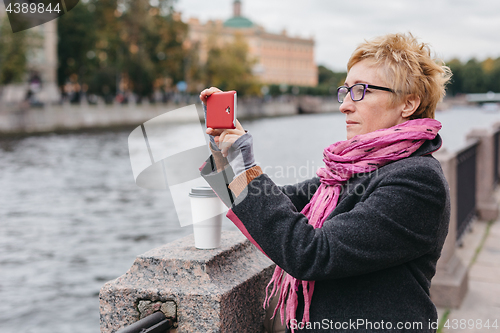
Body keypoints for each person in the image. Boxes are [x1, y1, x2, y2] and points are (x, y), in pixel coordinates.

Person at [199, 32, 452, 333]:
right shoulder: (352, 170)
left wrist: (247, 165)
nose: (345, 105)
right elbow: (278, 202)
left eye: (361, 91)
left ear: (408, 103)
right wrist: (224, 157)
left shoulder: (418, 180)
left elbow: (312, 252)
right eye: (344, 91)